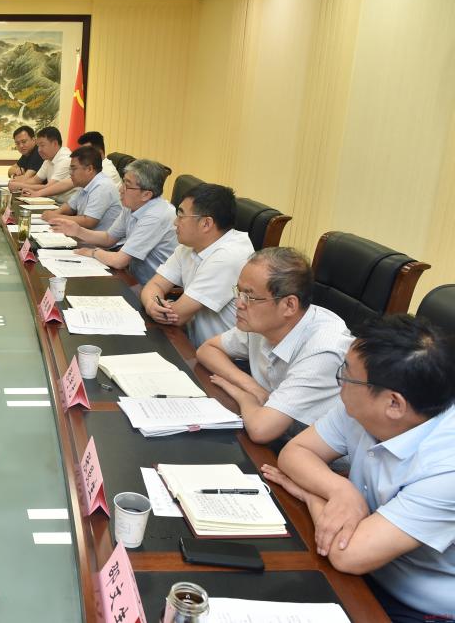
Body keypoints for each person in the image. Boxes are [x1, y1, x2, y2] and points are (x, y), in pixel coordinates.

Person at [263, 315, 455, 622]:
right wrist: (342, 491)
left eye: (347, 375)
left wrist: (311, 495)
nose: (340, 381)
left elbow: (347, 554)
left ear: (394, 404)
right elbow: (296, 452)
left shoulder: (447, 468)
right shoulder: (363, 406)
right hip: (362, 570)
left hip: (417, 608)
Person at [196, 247, 353, 444]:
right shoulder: (266, 322)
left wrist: (245, 396)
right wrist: (251, 386)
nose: (239, 303)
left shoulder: (323, 349)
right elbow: (207, 350)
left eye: (249, 297)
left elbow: (261, 429)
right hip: (277, 433)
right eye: (239, 292)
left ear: (289, 305)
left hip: (316, 454)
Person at [140, 183, 254, 347]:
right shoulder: (190, 245)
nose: (175, 222)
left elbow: (176, 316)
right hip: (194, 344)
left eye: (181, 216)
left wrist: (160, 306)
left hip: (225, 355)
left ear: (206, 224)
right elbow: (155, 284)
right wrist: (152, 305)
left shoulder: (229, 256)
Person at [51, 158, 177, 285]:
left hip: (155, 288)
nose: (121, 189)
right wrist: (78, 231)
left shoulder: (156, 216)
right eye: (123, 182)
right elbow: (108, 238)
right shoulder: (133, 204)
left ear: (146, 195)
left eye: (127, 186)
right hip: (134, 277)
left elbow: (119, 261)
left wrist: (93, 252)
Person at [39, 146, 121, 232]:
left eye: (74, 169)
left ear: (89, 169)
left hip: (100, 239)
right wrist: (55, 213)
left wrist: (56, 217)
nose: (70, 173)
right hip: (86, 235)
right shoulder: (86, 183)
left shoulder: (102, 186)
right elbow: (70, 206)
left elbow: (89, 222)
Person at [9, 126, 74, 202]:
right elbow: (35, 180)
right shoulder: (48, 159)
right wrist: (16, 183)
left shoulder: (66, 160)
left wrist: (20, 185)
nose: (39, 150)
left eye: (42, 145)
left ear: (55, 143)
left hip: (66, 205)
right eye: (38, 146)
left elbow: (49, 187)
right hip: (52, 202)